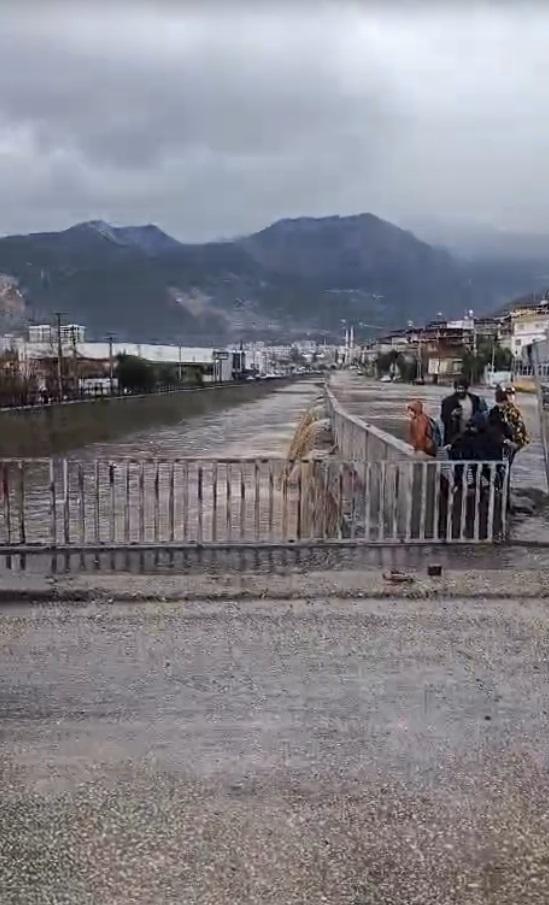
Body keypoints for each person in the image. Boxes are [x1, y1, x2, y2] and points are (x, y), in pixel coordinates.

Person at [441, 377, 483, 446]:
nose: (460, 391)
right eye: (458, 388)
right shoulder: (448, 401)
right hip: (454, 437)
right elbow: (443, 418)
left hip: (472, 435)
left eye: (462, 388)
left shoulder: (475, 399)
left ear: (466, 388)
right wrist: (452, 415)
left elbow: (479, 414)